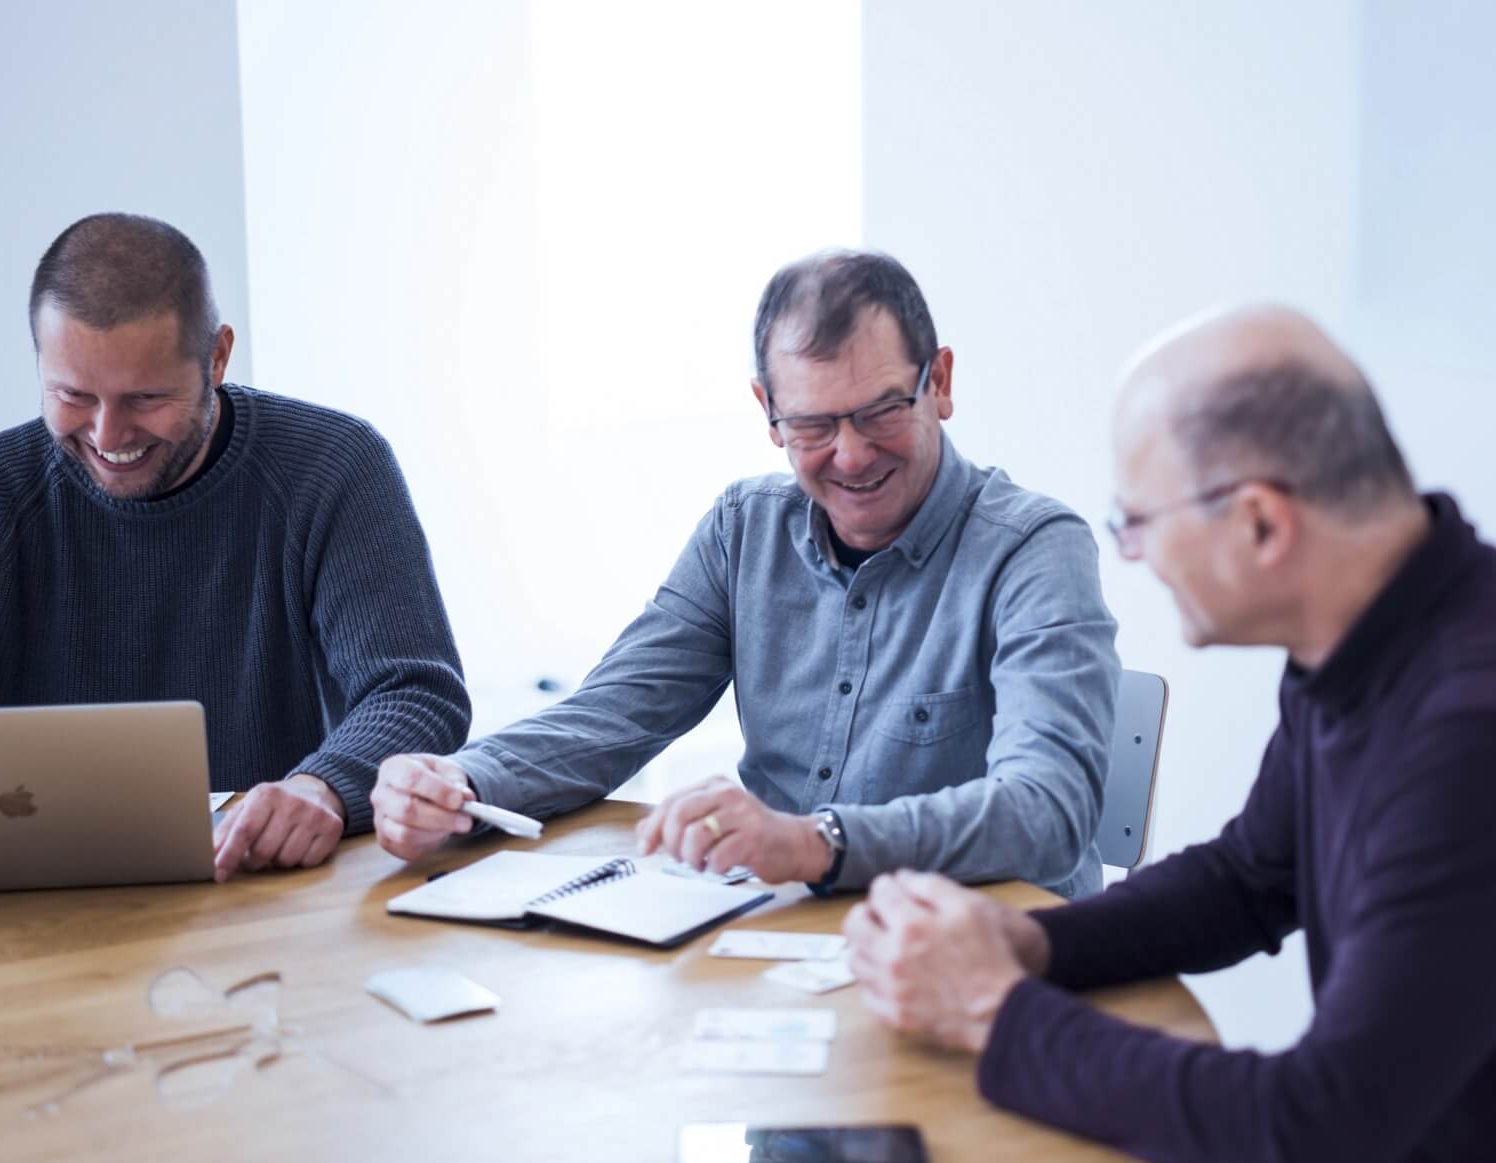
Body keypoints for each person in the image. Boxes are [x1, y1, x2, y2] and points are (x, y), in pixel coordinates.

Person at [844, 305, 1496, 1163]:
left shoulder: (1466, 736)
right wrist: (1029, 943)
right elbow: (1249, 878)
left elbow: (1316, 1127)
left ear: (1261, 524)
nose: (1132, 554)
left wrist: (991, 1011)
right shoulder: (1372, 636)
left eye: (1138, 520)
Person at [372, 250, 1119, 897]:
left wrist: (814, 842)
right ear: (768, 412)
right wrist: (463, 782)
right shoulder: (743, 530)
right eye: (813, 425)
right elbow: (615, 713)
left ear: (941, 383)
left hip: (988, 955)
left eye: (882, 411)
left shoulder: (1034, 549)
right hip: (789, 945)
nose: (852, 454)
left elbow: (1047, 811)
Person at [0, 213, 470, 882]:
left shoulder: (334, 466)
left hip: (277, 883)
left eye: (146, 397)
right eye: (72, 395)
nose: (108, 435)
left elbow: (416, 690)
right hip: (42, 888)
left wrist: (323, 787)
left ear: (218, 357)